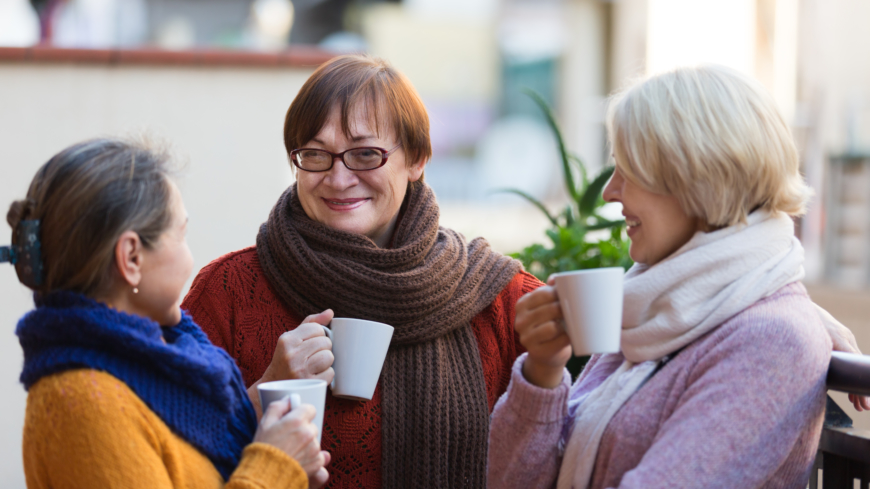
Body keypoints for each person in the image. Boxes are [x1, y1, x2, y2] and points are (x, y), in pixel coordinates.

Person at [181, 54, 542, 488]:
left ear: (417, 158)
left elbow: (560, 454)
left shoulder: (500, 297)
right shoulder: (229, 291)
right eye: (315, 154)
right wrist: (263, 394)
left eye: (366, 154)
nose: (338, 178)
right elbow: (168, 457)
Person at [486, 65, 842, 489]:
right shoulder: (654, 308)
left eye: (628, 170)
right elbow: (508, 481)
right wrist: (543, 371)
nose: (609, 192)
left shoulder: (773, 339)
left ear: (698, 174)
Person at [6, 138, 329, 488]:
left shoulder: (157, 362)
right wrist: (277, 467)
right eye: (181, 234)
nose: (189, 258)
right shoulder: (84, 402)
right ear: (131, 257)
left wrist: (284, 451)